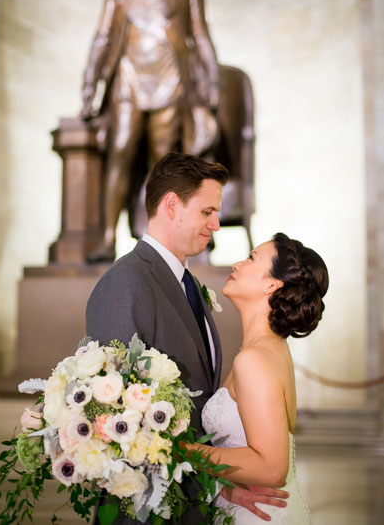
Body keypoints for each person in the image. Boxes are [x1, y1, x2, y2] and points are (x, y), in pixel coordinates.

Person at [85, 152, 288, 522]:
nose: (216, 224)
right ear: (172, 205)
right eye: (207, 212)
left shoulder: (190, 285)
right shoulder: (126, 282)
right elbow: (113, 419)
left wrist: (215, 486)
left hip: (191, 504)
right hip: (143, 511)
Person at [79, 0, 220, 263]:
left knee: (164, 165)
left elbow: (200, 34)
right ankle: (108, 238)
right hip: (128, 77)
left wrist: (212, 80)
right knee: (120, 153)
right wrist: (89, 83)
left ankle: (163, 242)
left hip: (170, 79)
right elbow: (102, 37)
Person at [193, 233, 327, 523]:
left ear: (271, 284)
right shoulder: (268, 349)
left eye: (252, 258)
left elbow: (272, 468)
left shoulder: (254, 359)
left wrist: (185, 452)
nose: (238, 264)